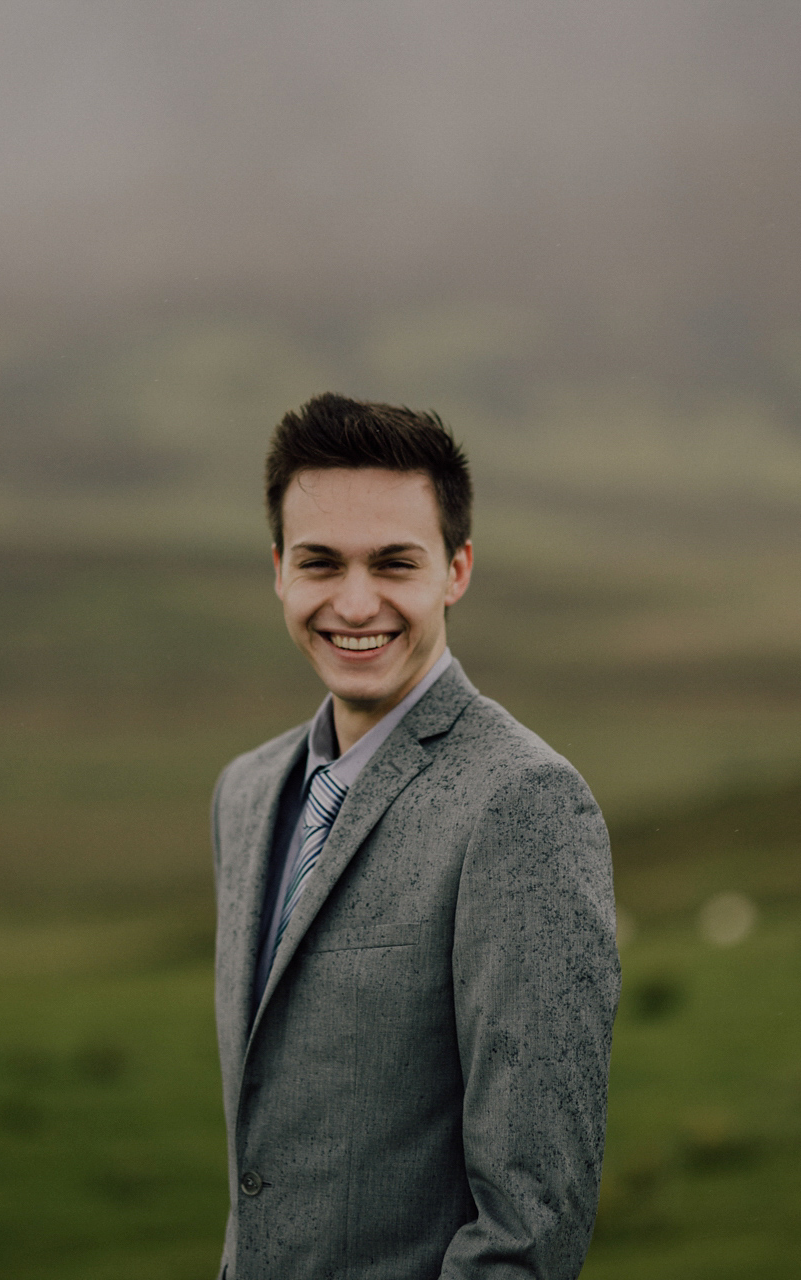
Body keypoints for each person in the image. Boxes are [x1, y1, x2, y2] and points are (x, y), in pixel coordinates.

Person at [211, 393, 620, 1280]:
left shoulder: (526, 805)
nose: (356, 603)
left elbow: (531, 1225)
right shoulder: (244, 795)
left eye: (395, 562)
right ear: (279, 569)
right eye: (320, 562)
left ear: (456, 569)